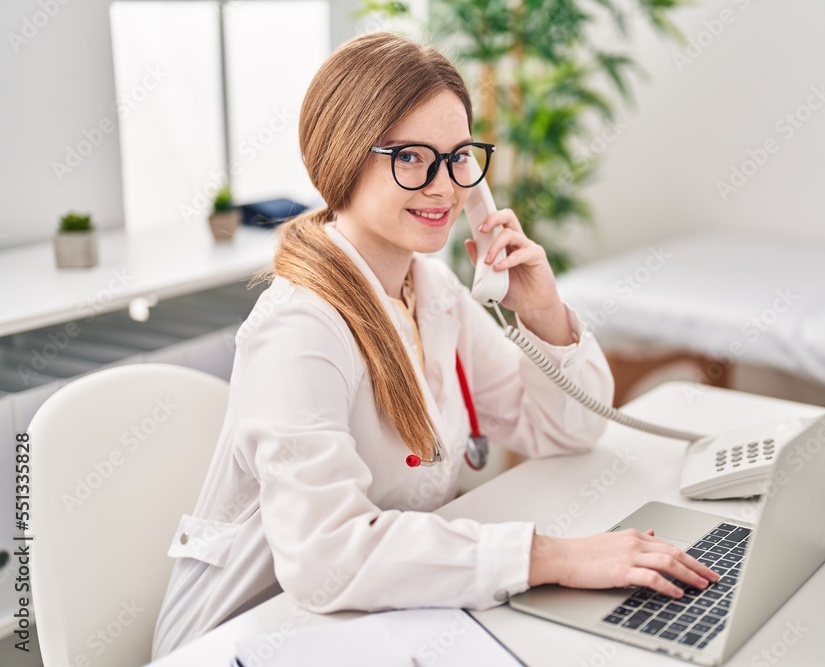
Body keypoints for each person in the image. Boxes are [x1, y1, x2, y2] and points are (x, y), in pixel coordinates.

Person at [151, 31, 717, 659]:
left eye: (459, 157)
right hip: (246, 636)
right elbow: (326, 558)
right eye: (413, 157)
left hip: (369, 621)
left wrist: (542, 310)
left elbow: (566, 431)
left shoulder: (434, 291)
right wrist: (547, 557)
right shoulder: (299, 329)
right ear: (344, 157)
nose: (446, 187)